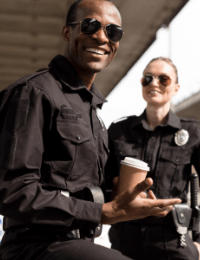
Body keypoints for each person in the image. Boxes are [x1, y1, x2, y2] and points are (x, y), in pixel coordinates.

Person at [0, 0, 181, 258]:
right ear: (67, 32)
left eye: (112, 32)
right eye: (90, 26)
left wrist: (125, 200)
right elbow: (12, 190)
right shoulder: (33, 93)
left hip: (79, 243)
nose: (101, 37)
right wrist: (100, 213)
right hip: (33, 246)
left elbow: (77, 188)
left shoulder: (93, 112)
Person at [106, 57, 200, 260]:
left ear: (176, 87)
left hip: (174, 238)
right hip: (125, 237)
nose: (154, 83)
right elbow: (103, 181)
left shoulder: (193, 132)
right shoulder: (119, 130)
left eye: (163, 79)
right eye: (147, 78)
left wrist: (199, 240)